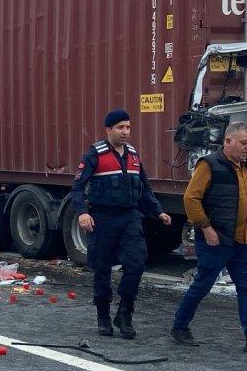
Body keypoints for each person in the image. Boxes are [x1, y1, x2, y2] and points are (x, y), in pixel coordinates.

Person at [170, 121, 247, 356]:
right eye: (244, 143)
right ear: (228, 141)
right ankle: (179, 326)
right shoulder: (209, 165)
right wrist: (206, 228)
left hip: (243, 241)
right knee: (202, 285)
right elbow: (191, 199)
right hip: (217, 240)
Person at [69, 109, 172, 338]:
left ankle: (125, 313)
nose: (125, 132)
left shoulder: (134, 155)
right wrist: (82, 213)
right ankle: (103, 315)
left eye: (128, 127)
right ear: (108, 130)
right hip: (103, 218)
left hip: (130, 218)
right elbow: (77, 188)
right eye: (120, 128)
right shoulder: (95, 154)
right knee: (102, 269)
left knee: (136, 264)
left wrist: (158, 212)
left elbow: (144, 188)